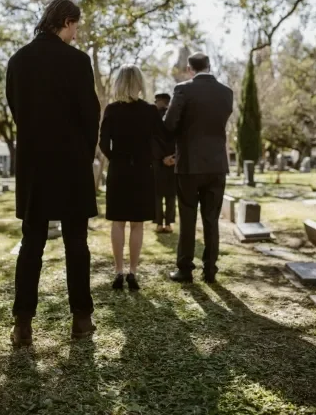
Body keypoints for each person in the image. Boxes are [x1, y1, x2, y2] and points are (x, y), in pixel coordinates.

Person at [6, 0, 100, 346]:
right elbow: (90, 116)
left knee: (32, 242)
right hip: (72, 163)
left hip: (34, 164)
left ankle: (22, 325)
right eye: (76, 26)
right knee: (77, 241)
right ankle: (81, 320)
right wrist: (83, 153)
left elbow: (16, 109)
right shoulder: (77, 62)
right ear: (66, 21)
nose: (76, 34)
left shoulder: (18, 60)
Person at [165, 52, 233, 284]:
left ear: (189, 68)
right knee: (211, 219)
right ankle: (210, 270)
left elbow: (170, 123)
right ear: (209, 66)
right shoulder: (227, 92)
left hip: (189, 165)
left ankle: (185, 270)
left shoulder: (183, 89)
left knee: (187, 217)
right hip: (216, 165)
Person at [99, 65, 166, 291]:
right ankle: (133, 273)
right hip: (142, 171)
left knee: (118, 222)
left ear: (119, 83)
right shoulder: (150, 111)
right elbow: (162, 138)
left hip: (118, 170)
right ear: (139, 83)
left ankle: (118, 271)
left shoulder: (111, 110)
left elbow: (103, 143)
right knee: (137, 224)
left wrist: (114, 158)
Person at [153, 92, 176, 233]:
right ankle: (168, 224)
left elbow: (152, 141)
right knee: (171, 195)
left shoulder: (152, 118)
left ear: (160, 101)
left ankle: (159, 224)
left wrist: (161, 158)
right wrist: (173, 157)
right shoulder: (175, 117)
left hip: (157, 161)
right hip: (173, 161)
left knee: (157, 194)